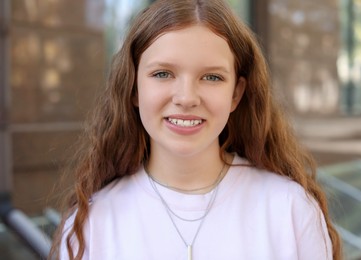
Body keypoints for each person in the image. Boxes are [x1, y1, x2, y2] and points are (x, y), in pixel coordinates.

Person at [50, 0, 342, 259]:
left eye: (212, 77)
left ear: (236, 94)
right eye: (162, 74)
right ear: (134, 88)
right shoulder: (93, 223)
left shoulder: (290, 210)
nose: (187, 97)